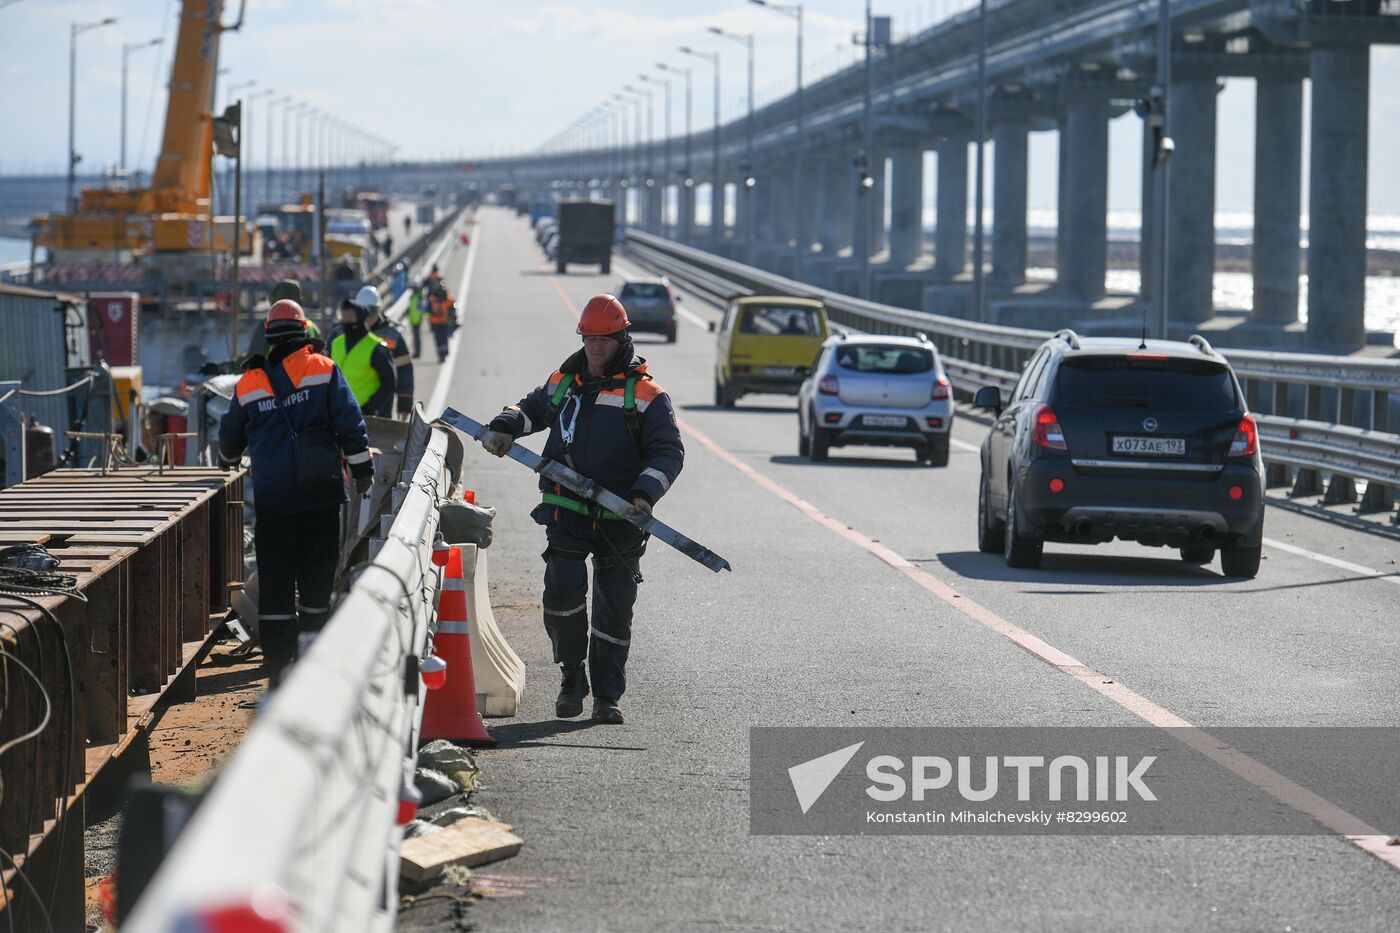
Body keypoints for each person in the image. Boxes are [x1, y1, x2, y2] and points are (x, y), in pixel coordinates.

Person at [479, 294, 684, 725]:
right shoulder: (565, 382)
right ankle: (572, 677)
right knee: (562, 595)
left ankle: (607, 697)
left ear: (622, 339)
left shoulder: (647, 396)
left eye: (604, 340)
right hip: (565, 509)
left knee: (613, 610)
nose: (595, 348)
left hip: (620, 519)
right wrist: (504, 425)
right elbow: (530, 408)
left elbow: (668, 454)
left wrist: (644, 494)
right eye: (589, 339)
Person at [217, 299, 374, 683]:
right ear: (305, 332)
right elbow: (350, 425)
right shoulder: (323, 369)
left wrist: (225, 462)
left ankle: (277, 659)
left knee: (276, 580)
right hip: (321, 494)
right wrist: (363, 470)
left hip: (273, 501)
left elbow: (228, 442)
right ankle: (314, 650)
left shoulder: (250, 382)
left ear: (268, 335)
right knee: (318, 577)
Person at [330, 287, 397, 417]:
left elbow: (389, 384)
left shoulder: (377, 346)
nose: (346, 320)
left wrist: (369, 408)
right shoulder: (336, 342)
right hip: (340, 415)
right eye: (344, 316)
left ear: (360, 317)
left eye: (350, 316)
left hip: (369, 417)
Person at [364, 286, 415, 418]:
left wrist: (404, 402)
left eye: (373, 311)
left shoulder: (393, 336)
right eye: (365, 312)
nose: (369, 317)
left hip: (382, 405)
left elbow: (404, 370)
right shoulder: (342, 335)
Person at [427, 284, 456, 362]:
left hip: (440, 323)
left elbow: (453, 312)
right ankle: (442, 355)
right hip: (439, 323)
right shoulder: (434, 301)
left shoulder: (446, 301)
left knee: (441, 340)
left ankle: (443, 355)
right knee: (441, 339)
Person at [404, 282, 425, 359]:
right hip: (413, 319)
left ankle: (417, 353)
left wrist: (420, 316)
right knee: (415, 336)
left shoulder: (419, 296)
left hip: (417, 319)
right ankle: (416, 352)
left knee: (416, 337)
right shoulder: (414, 296)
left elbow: (421, 307)